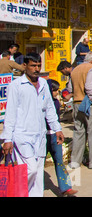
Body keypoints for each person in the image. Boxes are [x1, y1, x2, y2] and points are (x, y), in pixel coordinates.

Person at [0, 52, 64, 197]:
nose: (36, 69)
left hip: (40, 135)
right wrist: (7, 139)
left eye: (39, 66)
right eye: (33, 66)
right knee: (31, 170)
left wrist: (57, 129)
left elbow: (49, 109)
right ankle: (19, 192)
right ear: (24, 66)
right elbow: (10, 113)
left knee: (38, 176)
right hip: (22, 135)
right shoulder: (16, 85)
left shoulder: (43, 84)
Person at [67, 51, 92, 169]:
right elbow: (89, 88)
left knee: (79, 132)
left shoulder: (75, 69)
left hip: (76, 103)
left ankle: (75, 162)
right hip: (88, 104)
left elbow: (69, 88)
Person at [46, 79, 78, 197]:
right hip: (43, 136)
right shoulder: (42, 102)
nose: (56, 93)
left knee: (59, 161)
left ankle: (66, 188)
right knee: (38, 165)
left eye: (57, 90)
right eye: (54, 90)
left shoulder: (56, 103)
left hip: (55, 135)